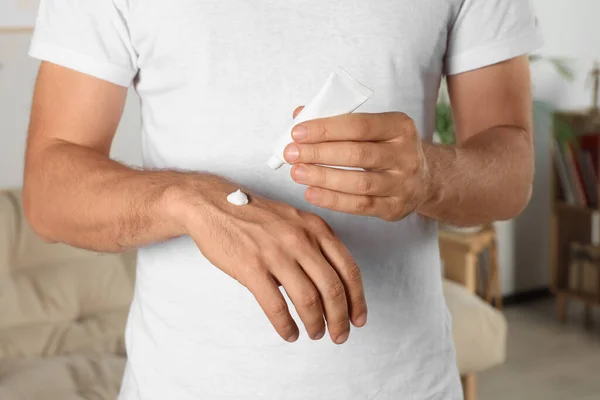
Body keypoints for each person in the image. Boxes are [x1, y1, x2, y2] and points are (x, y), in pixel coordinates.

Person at [23, 0, 542, 398]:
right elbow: (49, 188)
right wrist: (194, 202)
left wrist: (430, 174)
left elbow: (511, 170)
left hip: (404, 384)